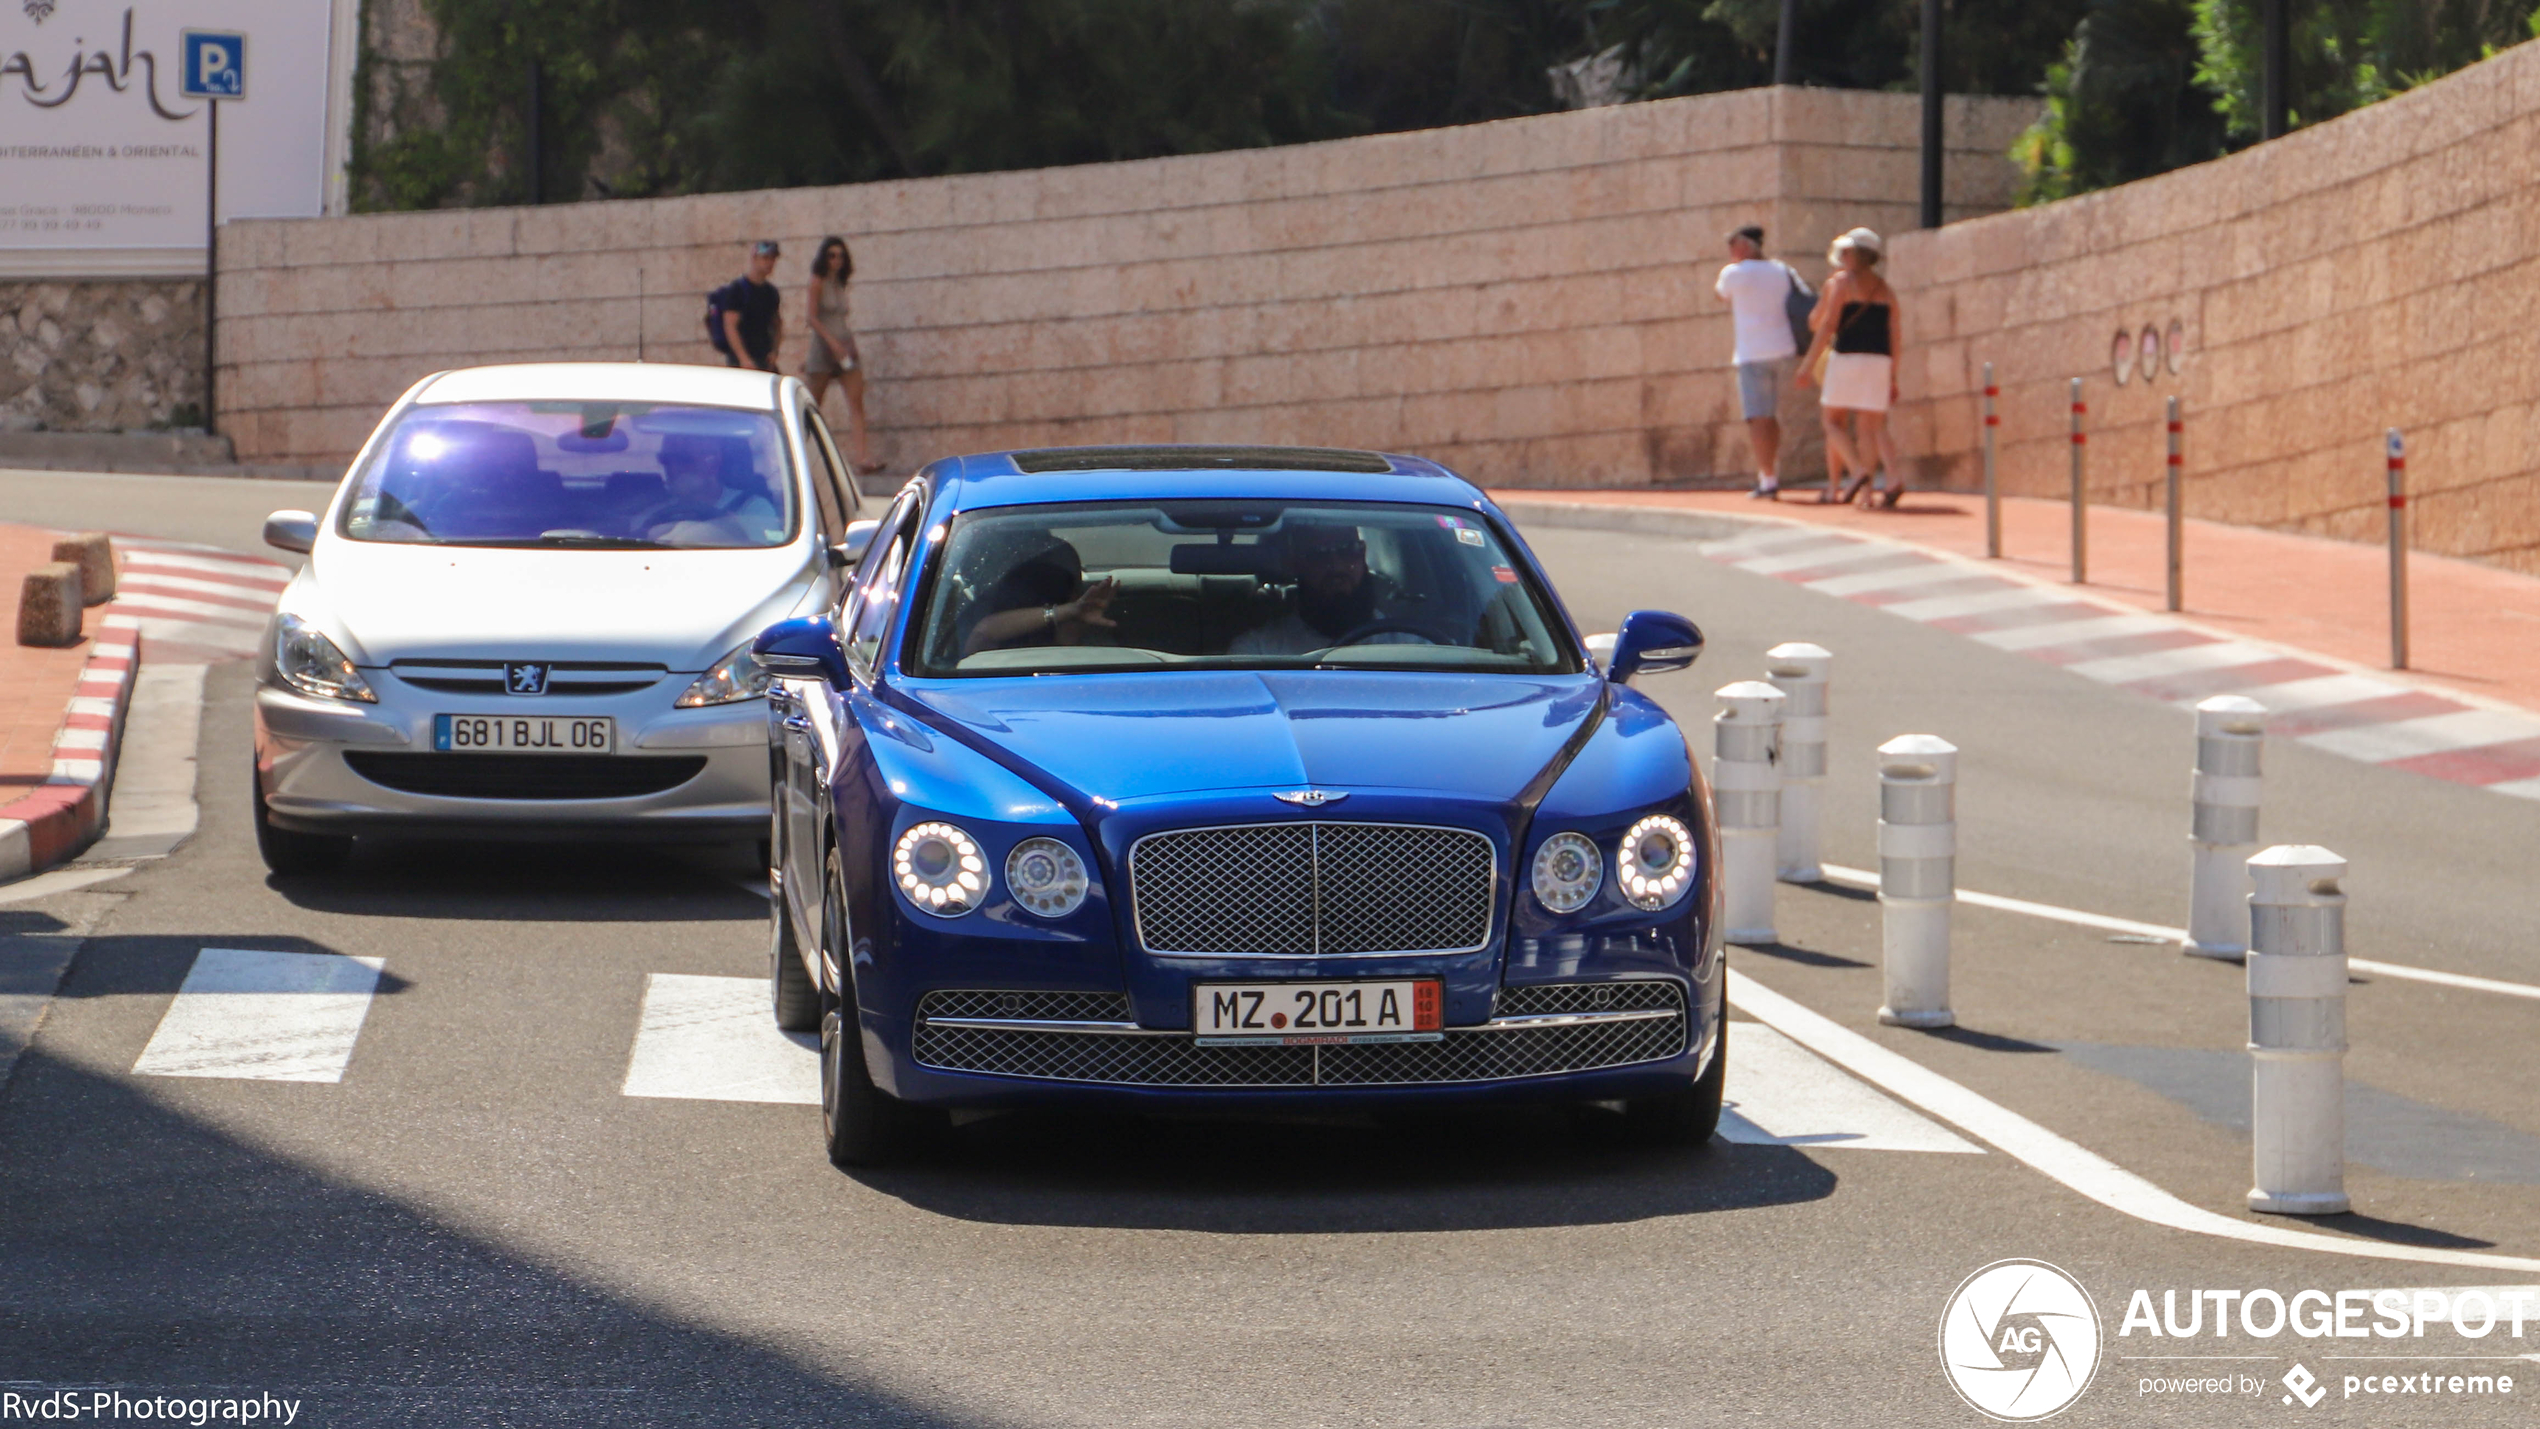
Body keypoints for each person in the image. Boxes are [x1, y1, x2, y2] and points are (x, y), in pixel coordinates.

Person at [1797, 226, 1905, 508]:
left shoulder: (1843, 283)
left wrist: (1808, 364)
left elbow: (1828, 325)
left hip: (1846, 357)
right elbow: (1895, 335)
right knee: (1869, 428)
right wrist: (1893, 376)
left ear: (1853, 255)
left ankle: (1857, 470)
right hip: (1879, 362)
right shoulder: (1886, 289)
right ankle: (1867, 496)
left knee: (1832, 421)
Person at [1230, 521, 1429, 656]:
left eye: (1348, 551)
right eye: (1319, 555)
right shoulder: (1259, 651)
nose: (1337, 567)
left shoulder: (1412, 648)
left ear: (1362, 555)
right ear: (1297, 564)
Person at [1714, 223, 1803, 499]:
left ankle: (1768, 479)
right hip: (1785, 350)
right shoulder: (1783, 270)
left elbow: (1720, 295)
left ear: (1744, 246)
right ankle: (1771, 473)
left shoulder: (1734, 273)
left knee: (1758, 418)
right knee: (1771, 417)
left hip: (1753, 353)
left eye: (1732, 245)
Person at [960, 537, 1118, 655]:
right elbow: (983, 633)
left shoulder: (1102, 651)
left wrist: (1069, 633)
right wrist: (1063, 613)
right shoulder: (993, 653)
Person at [801, 236, 878, 472]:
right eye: (832, 255)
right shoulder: (817, 282)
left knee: (856, 401)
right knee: (811, 405)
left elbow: (842, 319)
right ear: (824, 258)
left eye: (841, 256)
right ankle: (802, 454)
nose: (836, 260)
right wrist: (832, 343)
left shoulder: (840, 283)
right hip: (824, 347)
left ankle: (862, 458)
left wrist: (850, 344)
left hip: (843, 345)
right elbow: (812, 318)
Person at [637, 434, 780, 546]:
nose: (673, 468)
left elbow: (762, 560)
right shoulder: (654, 510)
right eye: (666, 459)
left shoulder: (754, 509)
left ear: (713, 463)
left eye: (685, 460)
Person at [710, 240, 786, 374]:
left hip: (764, 358)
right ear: (754, 259)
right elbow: (730, 326)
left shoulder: (771, 292)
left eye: (772, 258)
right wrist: (743, 358)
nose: (769, 263)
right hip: (741, 362)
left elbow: (777, 324)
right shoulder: (737, 290)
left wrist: (774, 351)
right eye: (765, 258)